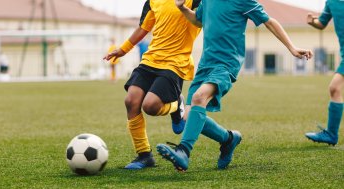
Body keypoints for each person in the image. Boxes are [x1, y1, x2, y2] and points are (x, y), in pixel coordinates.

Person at [156, 0, 313, 172]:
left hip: (226, 64)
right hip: (205, 64)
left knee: (199, 97)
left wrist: (292, 47)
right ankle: (228, 139)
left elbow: (269, 21)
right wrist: (182, 8)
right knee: (186, 116)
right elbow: (198, 20)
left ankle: (183, 151)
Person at [103, 0, 201, 169]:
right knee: (131, 101)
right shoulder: (153, 1)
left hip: (175, 63)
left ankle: (177, 105)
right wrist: (123, 49)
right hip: (151, 59)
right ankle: (144, 156)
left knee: (150, 106)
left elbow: (201, 20)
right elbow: (143, 27)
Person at [305, 1, 344, 146]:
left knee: (334, 88)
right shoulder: (331, 2)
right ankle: (331, 134)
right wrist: (312, 21)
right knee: (334, 88)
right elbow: (322, 23)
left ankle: (331, 134)